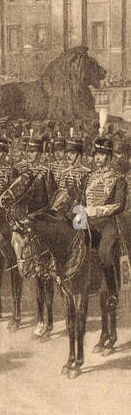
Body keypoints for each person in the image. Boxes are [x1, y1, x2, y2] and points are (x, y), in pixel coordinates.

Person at [84, 133, 128, 354]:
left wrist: (96, 211)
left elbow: (119, 205)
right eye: (96, 154)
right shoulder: (89, 178)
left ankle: (111, 291)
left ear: (109, 157)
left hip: (108, 225)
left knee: (104, 255)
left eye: (102, 154)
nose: (98, 158)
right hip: (90, 224)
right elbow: (81, 202)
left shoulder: (118, 178)